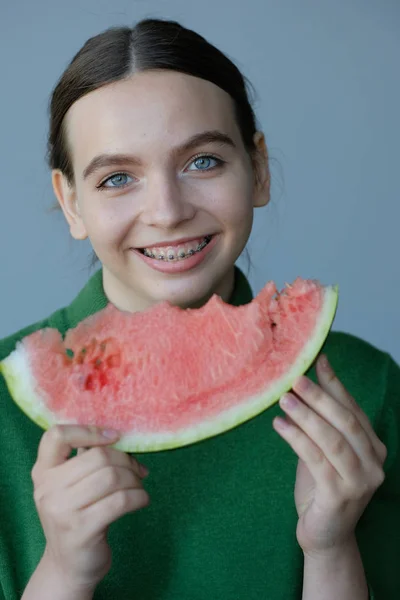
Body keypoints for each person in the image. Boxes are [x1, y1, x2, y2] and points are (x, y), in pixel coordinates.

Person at [0, 18, 398, 600]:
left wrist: (331, 549)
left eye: (203, 162)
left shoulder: (369, 389)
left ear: (257, 168)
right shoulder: (6, 408)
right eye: (116, 178)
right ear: (71, 203)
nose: (166, 211)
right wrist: (62, 573)